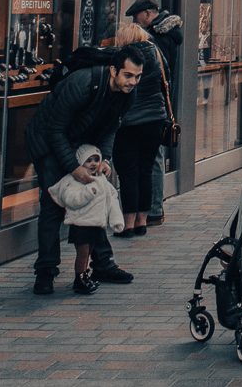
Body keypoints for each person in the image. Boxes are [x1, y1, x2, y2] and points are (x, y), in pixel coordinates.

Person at [26, 42, 146, 294]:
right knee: (53, 204)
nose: (133, 81)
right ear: (113, 71)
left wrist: (105, 160)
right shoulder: (81, 83)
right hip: (47, 143)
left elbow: (112, 126)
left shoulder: (128, 93)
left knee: (95, 198)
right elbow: (54, 130)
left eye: (137, 76)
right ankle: (45, 272)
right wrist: (73, 168)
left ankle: (102, 264)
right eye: (128, 75)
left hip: (80, 143)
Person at [104, 23, 168, 238]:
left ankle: (128, 224)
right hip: (155, 119)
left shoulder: (124, 58)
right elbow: (166, 79)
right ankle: (142, 220)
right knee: (145, 170)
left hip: (129, 121)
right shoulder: (156, 53)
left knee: (128, 172)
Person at [125, 0, 183, 226]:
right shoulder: (166, 35)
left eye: (138, 17)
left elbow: (154, 72)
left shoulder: (158, 40)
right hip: (158, 104)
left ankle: (153, 209)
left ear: (149, 13)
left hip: (153, 104)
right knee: (153, 157)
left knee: (154, 158)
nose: (136, 22)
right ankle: (151, 208)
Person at [48, 143, 125, 294]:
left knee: (88, 253)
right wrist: (89, 191)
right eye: (88, 160)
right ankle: (80, 278)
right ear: (80, 162)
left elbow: (112, 198)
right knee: (82, 254)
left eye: (96, 160)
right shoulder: (74, 180)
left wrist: (116, 220)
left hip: (95, 225)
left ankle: (84, 276)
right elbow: (71, 200)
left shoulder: (101, 179)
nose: (93, 164)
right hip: (81, 225)